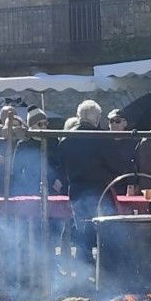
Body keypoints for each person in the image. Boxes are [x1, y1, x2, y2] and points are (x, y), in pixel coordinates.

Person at [58, 99, 115, 262]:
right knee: (104, 230)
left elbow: (61, 166)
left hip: (76, 188)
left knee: (82, 228)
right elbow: (112, 163)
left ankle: (85, 267)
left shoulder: (66, 140)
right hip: (100, 189)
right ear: (96, 117)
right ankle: (105, 267)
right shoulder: (101, 138)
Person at [12, 109, 58, 196]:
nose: (44, 127)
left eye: (45, 123)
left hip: (52, 186)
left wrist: (58, 179)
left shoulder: (53, 141)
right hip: (30, 187)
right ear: (32, 126)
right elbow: (16, 169)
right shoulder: (24, 144)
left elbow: (59, 163)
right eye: (40, 124)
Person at [103, 108, 137, 181]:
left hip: (127, 182)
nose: (114, 124)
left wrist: (134, 183)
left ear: (125, 123)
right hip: (108, 184)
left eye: (117, 121)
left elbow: (136, 165)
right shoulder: (103, 143)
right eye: (111, 121)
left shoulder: (133, 143)